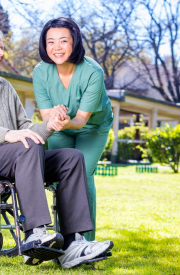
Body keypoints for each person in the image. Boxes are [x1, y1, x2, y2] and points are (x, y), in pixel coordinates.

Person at [0, 26, 113, 269]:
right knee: (27, 146)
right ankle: (35, 233)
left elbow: (25, 127)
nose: (1, 52)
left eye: (1, 47)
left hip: (14, 155)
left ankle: (72, 243)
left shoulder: (6, 87)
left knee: (72, 158)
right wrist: (7, 134)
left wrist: (51, 125)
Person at [33, 17, 113, 241]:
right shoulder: (40, 72)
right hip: (61, 129)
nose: (56, 47)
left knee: (82, 174)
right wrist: (57, 119)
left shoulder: (92, 72)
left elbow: (80, 120)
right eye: (50, 42)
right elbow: (47, 117)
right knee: (61, 177)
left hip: (92, 127)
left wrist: (65, 120)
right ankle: (66, 239)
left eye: (63, 41)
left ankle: (85, 242)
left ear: (75, 42)